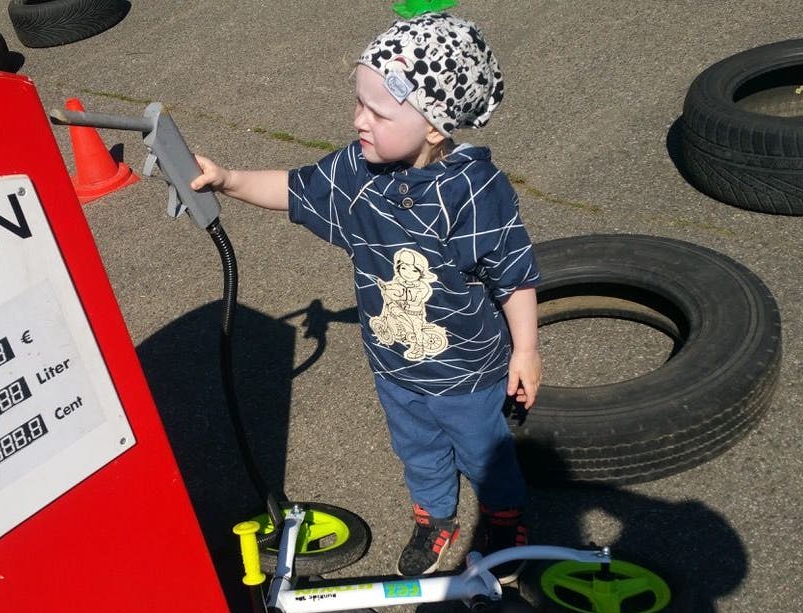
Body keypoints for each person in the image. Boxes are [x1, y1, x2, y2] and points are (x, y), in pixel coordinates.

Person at [191, 12, 541, 579]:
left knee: (485, 453)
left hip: (466, 371)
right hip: (393, 364)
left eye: (377, 112)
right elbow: (295, 187)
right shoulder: (358, 171)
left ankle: (504, 517)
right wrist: (229, 179)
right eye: (358, 102)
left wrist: (525, 350)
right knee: (418, 450)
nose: (358, 120)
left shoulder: (472, 190)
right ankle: (435, 518)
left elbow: (513, 272)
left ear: (433, 126)